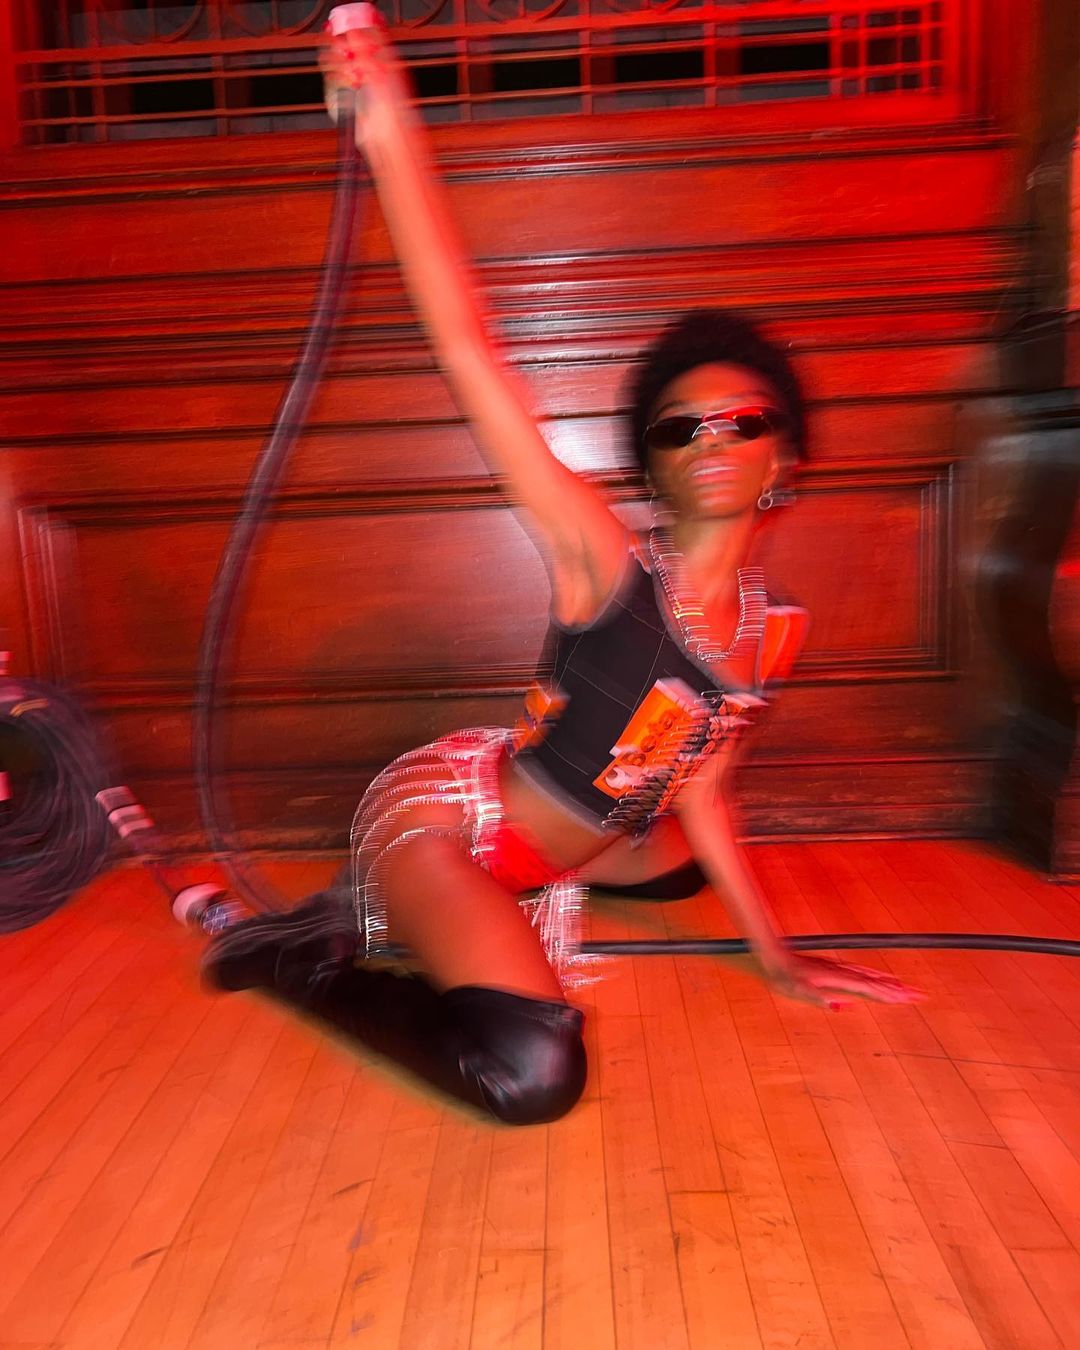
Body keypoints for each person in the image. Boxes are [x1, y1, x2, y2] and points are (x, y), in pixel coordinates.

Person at [202, 17, 918, 1126]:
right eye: (680, 428)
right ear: (650, 465)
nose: (712, 441)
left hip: (571, 849)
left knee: (683, 856)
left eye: (744, 421)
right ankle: (299, 956)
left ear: (787, 459)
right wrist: (389, 129)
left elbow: (707, 791)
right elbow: (470, 350)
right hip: (455, 823)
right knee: (532, 1071)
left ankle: (481, 918)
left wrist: (777, 955)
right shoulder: (604, 557)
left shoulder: (776, 629)